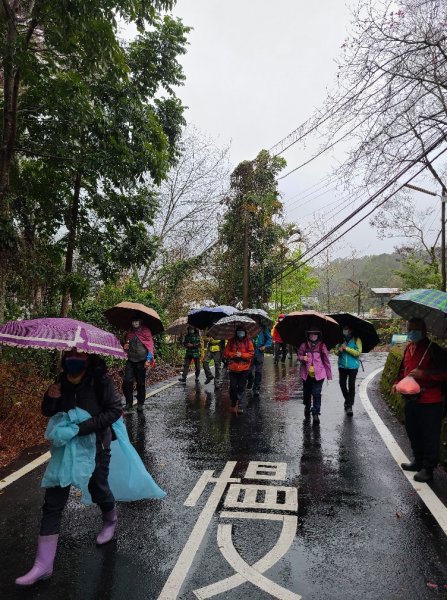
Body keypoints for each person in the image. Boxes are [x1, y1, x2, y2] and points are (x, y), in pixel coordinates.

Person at [16, 349, 122, 587]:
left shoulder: (101, 381)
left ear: (88, 358)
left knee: (98, 488)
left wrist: (82, 427)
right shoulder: (61, 380)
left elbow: (114, 411)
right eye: (70, 355)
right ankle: (43, 564)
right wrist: (50, 397)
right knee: (53, 501)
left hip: (96, 446)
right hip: (65, 449)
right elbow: (48, 411)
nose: (74, 360)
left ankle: (110, 519)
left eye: (79, 356)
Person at [393, 317, 447, 483]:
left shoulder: (433, 349)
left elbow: (445, 373)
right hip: (411, 399)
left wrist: (425, 374)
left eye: (415, 329)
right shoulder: (409, 347)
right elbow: (403, 370)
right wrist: (396, 383)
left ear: (424, 331)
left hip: (431, 401)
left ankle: (428, 468)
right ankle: (418, 460)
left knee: (429, 436)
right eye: (409, 329)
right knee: (413, 431)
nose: (411, 332)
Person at [298, 328, 332, 425]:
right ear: (308, 335)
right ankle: (307, 406)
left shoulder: (322, 346)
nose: (313, 335)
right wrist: (302, 358)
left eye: (315, 334)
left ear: (318, 334)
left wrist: (329, 375)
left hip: (319, 374)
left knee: (316, 393)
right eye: (311, 334)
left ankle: (316, 412)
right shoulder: (304, 345)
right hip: (306, 374)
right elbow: (299, 356)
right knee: (307, 393)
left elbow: (326, 361)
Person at [123, 315, 154, 413]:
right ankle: (129, 403)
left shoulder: (146, 331)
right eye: (133, 321)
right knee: (127, 381)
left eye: (136, 321)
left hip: (142, 360)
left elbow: (150, 346)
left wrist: (148, 360)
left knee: (140, 383)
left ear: (140, 321)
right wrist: (125, 346)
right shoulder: (129, 331)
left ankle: (140, 403)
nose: (135, 323)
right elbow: (126, 344)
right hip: (131, 360)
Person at [223, 326, 255, 414]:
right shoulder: (231, 341)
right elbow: (226, 352)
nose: (240, 333)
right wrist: (234, 354)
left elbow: (251, 354)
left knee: (241, 387)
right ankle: (234, 399)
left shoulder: (248, 341)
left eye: (242, 331)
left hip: (244, 368)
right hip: (233, 368)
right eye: (239, 331)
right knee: (233, 387)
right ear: (236, 332)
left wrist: (241, 355)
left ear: (245, 332)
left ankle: (240, 404)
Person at [334, 325, 362, 416]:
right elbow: (335, 352)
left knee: (351, 385)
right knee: (342, 384)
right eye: (344, 328)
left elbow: (358, 352)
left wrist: (346, 348)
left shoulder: (356, 339)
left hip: (353, 367)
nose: (345, 330)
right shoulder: (340, 339)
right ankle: (347, 400)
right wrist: (340, 350)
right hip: (342, 366)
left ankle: (349, 406)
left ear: (351, 330)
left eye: (347, 328)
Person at [247, 323, 273, 397]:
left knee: (258, 371)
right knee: (248, 370)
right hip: (249, 353)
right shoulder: (248, 327)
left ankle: (256, 389)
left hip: (259, 352)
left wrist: (265, 346)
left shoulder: (264, 328)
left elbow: (269, 339)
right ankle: (250, 380)